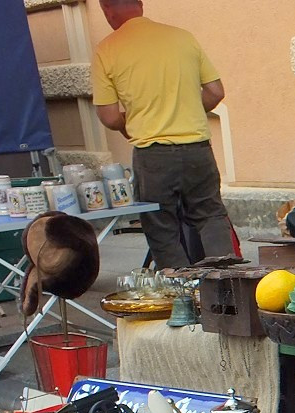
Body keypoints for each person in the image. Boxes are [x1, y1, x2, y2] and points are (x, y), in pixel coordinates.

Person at [91, 0, 234, 269]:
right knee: (211, 216)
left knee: (162, 228)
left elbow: (109, 116)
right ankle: (229, 291)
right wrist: (188, 109)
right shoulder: (183, 37)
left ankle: (184, 297)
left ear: (107, 10)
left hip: (152, 155)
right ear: (140, 5)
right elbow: (215, 92)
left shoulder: (107, 49)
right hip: (198, 149)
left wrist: (128, 124)